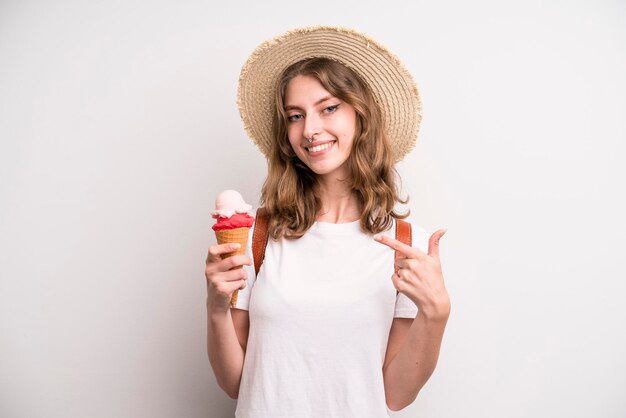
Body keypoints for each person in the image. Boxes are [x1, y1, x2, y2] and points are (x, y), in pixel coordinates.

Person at [205, 26, 450, 417]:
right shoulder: (258, 235)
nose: (311, 130)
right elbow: (234, 383)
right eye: (295, 116)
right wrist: (216, 307)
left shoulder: (405, 244)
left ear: (361, 116)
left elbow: (396, 396)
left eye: (329, 108)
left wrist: (435, 315)